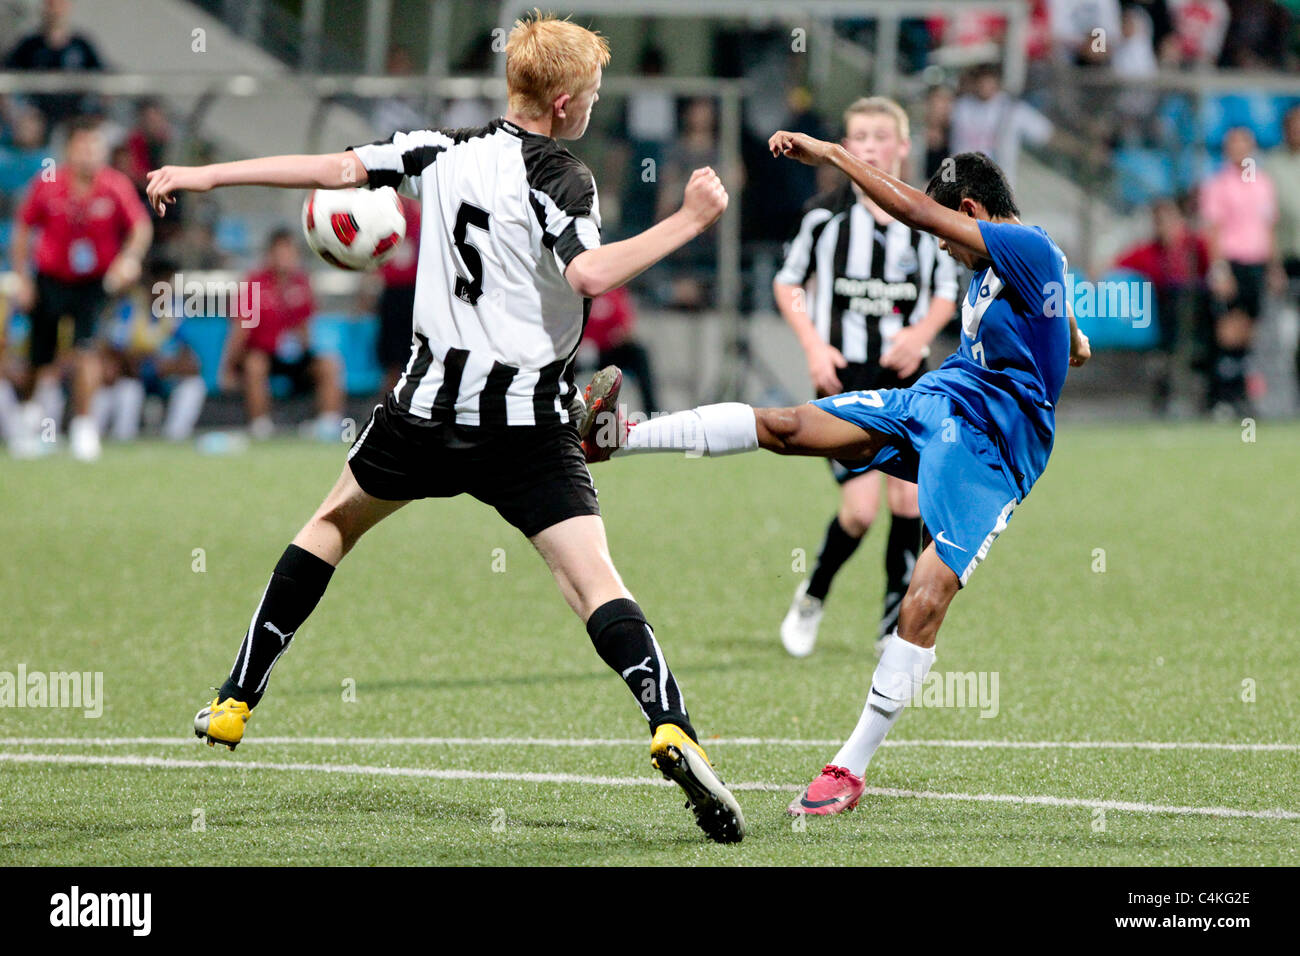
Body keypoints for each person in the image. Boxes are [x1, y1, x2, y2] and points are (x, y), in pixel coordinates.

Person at [144, 12, 745, 844]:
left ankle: (237, 700)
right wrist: (690, 219)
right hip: (528, 424)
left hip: (425, 411)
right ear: (566, 102)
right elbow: (591, 273)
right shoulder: (564, 177)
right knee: (591, 581)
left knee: (330, 525)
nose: (595, 107)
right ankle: (670, 723)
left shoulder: (441, 150)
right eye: (595, 95)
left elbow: (335, 167)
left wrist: (206, 175)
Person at [586, 137, 1090, 817]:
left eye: (951, 234)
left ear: (969, 210)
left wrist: (833, 155)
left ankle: (850, 768)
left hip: (995, 450)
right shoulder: (1021, 265)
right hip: (941, 399)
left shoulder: (1024, 246)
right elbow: (1066, 331)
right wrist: (1073, 340)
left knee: (926, 597)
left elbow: (916, 213)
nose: (946, 250)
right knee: (792, 426)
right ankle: (618, 436)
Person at [773, 97, 958, 659]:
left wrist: (921, 333)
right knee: (859, 511)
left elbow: (947, 291)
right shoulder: (824, 218)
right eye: (858, 137)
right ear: (846, 148)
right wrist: (813, 347)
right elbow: (789, 284)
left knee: (908, 505)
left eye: (881, 136)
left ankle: (888, 624)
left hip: (907, 381)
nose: (870, 146)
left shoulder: (927, 218)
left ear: (903, 146)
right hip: (845, 380)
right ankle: (813, 594)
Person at [9, 115, 151, 460]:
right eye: (83, 146)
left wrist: (128, 259)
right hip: (50, 279)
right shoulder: (48, 183)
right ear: (70, 150)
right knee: (38, 357)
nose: (89, 154)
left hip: (93, 283)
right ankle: (28, 420)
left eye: (95, 146)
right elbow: (23, 228)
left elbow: (140, 228)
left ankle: (84, 428)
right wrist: (23, 278)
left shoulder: (115, 185)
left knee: (87, 350)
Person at [219, 227, 342, 440]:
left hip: (293, 356)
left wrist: (302, 346)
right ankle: (261, 425)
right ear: (270, 255)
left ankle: (328, 424)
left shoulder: (302, 283)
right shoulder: (254, 284)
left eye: (290, 253)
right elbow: (241, 329)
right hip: (263, 353)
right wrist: (228, 367)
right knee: (255, 364)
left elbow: (306, 328)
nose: (286, 259)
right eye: (281, 253)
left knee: (330, 364)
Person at [1198, 126, 1278, 415]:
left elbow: (1269, 229)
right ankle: (1222, 397)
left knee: (1248, 331)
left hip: (1257, 263)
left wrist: (1273, 267)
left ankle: (1240, 394)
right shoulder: (1218, 185)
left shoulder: (1263, 184)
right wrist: (1219, 270)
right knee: (1228, 329)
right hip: (1232, 262)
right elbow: (1213, 231)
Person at [1112, 198, 1211, 412]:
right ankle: (1166, 393)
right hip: (1166, 319)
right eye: (1161, 221)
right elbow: (1114, 264)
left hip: (1199, 317)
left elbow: (1213, 271)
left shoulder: (1197, 246)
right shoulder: (1149, 252)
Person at [3, 0, 105, 129]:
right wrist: (15, 113)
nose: (56, 9)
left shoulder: (81, 45)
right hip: (37, 120)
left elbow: (104, 79)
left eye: (61, 4)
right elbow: (6, 78)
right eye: (51, 4)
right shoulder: (29, 45)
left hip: (76, 119)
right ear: (44, 6)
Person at [375, 193, 421, 396]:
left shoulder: (420, 216)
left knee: (417, 357)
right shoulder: (383, 215)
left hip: (416, 294)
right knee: (393, 361)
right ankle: (388, 406)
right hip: (392, 296)